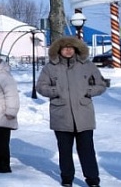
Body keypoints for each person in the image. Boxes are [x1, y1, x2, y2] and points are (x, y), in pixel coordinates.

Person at [37, 36, 106, 187]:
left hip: (84, 115)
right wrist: (55, 91)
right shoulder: (50, 67)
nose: (68, 50)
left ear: (76, 49)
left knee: (87, 150)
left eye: (71, 48)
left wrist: (88, 90)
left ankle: (93, 180)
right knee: (65, 151)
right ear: (59, 50)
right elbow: (41, 87)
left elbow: (101, 85)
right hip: (61, 115)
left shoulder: (87, 66)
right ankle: (67, 179)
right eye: (64, 48)